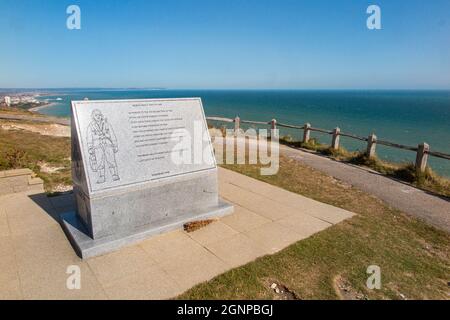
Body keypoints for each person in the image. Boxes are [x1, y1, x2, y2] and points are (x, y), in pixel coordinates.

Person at [86, 109, 120, 183]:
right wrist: (90, 148)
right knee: (99, 163)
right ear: (93, 116)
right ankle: (101, 177)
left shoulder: (107, 124)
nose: (98, 116)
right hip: (97, 146)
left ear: (101, 116)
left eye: (99, 115)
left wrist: (115, 145)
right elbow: (89, 138)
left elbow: (112, 135)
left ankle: (115, 175)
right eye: (96, 115)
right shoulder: (90, 126)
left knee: (111, 161)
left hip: (108, 144)